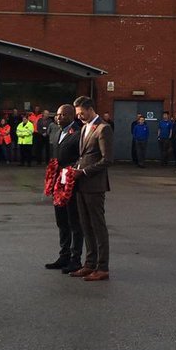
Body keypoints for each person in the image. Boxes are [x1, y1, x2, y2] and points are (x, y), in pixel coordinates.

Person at [71, 96, 113, 281]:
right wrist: (73, 169)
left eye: (81, 113)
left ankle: (102, 267)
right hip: (81, 185)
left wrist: (84, 172)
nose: (79, 116)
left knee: (98, 226)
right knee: (85, 225)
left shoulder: (103, 128)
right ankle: (89, 264)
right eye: (77, 114)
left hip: (95, 186)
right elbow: (84, 156)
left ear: (90, 109)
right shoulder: (84, 128)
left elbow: (107, 160)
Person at [45, 103, 84, 273]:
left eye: (62, 115)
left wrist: (72, 169)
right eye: (57, 115)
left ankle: (76, 259)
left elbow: (82, 157)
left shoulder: (77, 133)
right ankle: (64, 256)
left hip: (71, 182)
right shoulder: (58, 132)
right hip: (58, 182)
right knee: (61, 221)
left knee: (74, 221)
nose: (58, 117)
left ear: (71, 116)